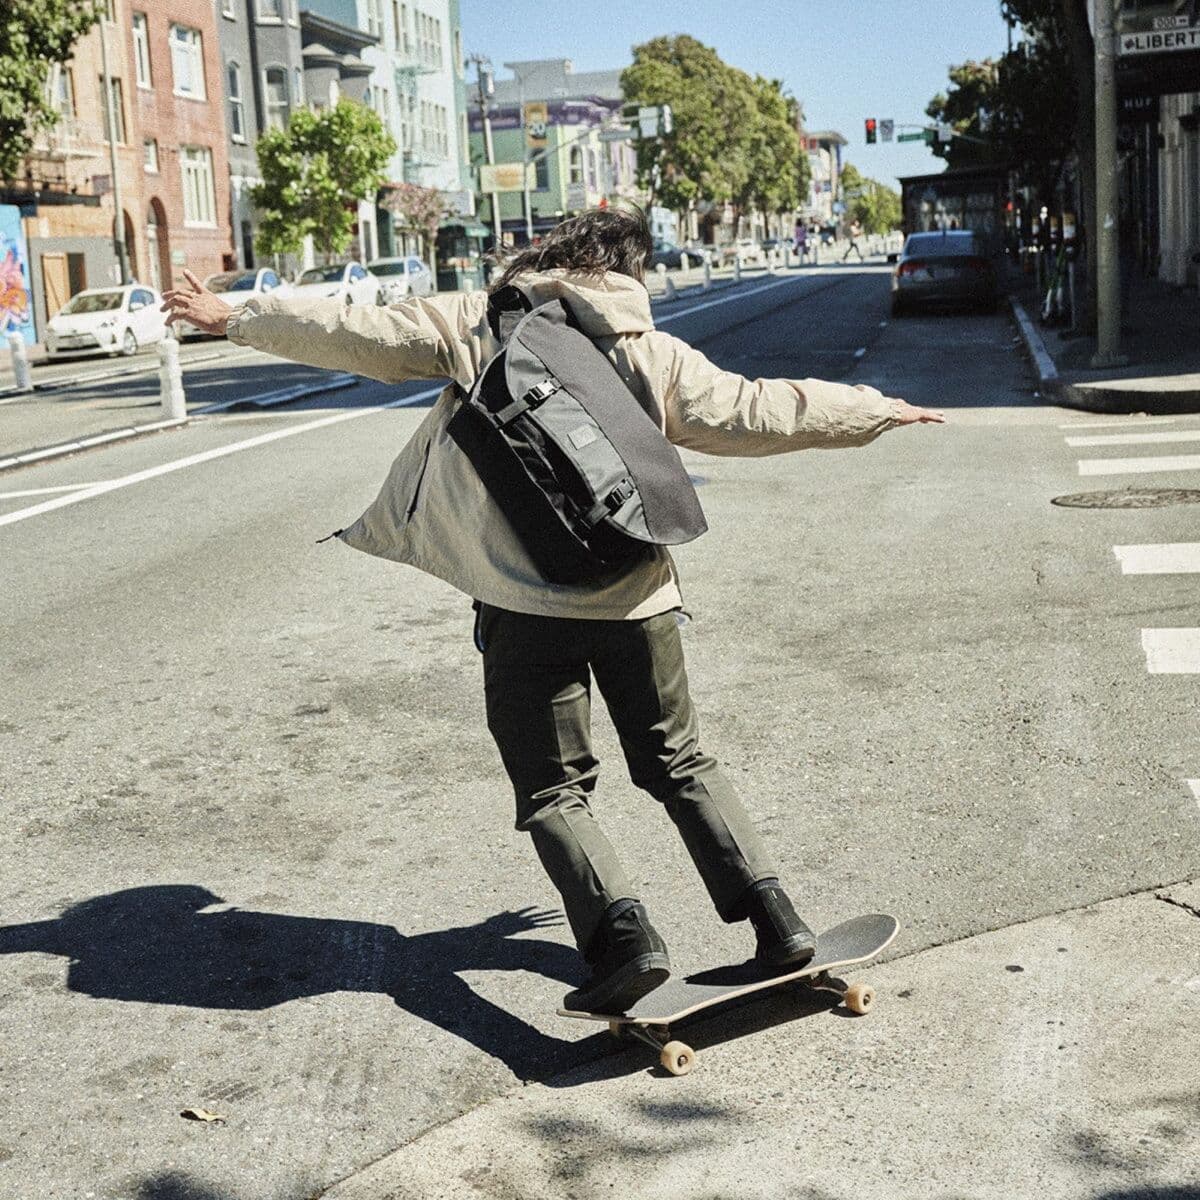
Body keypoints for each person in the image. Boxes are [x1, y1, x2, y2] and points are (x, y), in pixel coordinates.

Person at [162, 207, 943, 1016]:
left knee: (551, 791)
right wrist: (876, 410)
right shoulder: (654, 351)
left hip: (523, 601)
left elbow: (361, 332)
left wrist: (239, 315)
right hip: (637, 596)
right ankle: (776, 920)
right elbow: (757, 411)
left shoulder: (482, 322)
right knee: (680, 764)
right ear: (629, 272)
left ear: (550, 256)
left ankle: (624, 941)